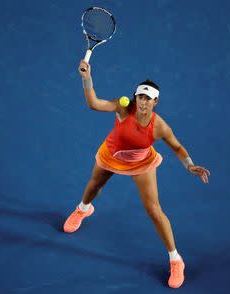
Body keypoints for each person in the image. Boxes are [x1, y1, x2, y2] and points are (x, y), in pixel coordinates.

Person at [63, 60, 211, 289]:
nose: (143, 102)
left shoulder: (159, 126)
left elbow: (177, 147)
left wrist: (189, 165)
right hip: (111, 155)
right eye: (140, 97)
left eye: (148, 98)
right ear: (136, 98)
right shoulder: (123, 107)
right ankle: (83, 210)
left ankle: (175, 259)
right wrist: (86, 78)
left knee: (153, 210)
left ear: (155, 101)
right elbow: (94, 103)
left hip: (141, 162)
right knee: (94, 186)